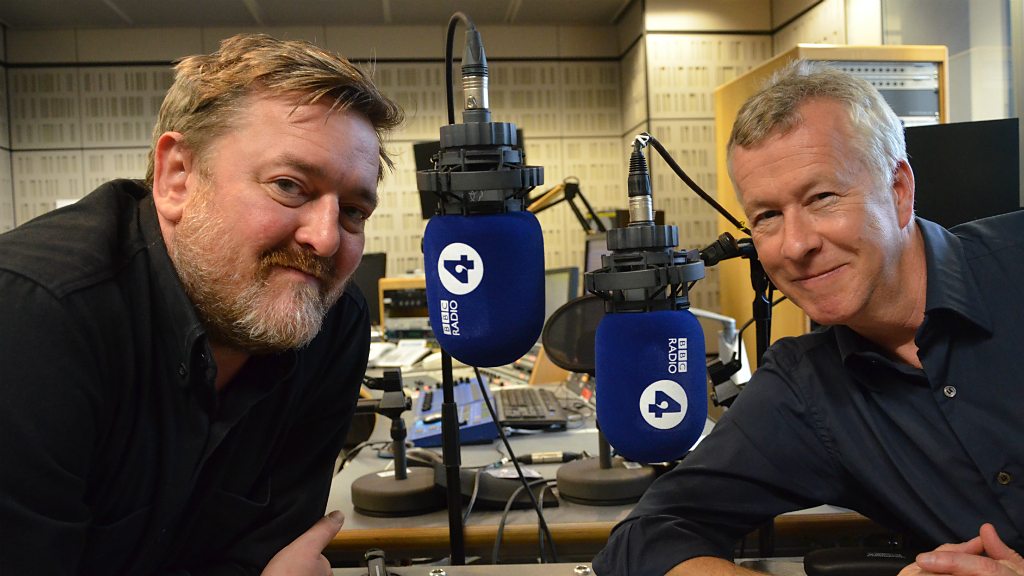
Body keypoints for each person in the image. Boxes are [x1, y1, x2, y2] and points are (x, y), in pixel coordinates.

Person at [593, 60, 1024, 575]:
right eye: (767, 216)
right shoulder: (804, 388)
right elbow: (645, 540)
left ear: (899, 190)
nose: (795, 246)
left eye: (822, 198)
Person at [0, 34, 402, 575]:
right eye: (289, 186)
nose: (327, 239)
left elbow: (266, 551)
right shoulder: (34, 315)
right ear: (178, 178)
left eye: (353, 211)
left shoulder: (333, 323)